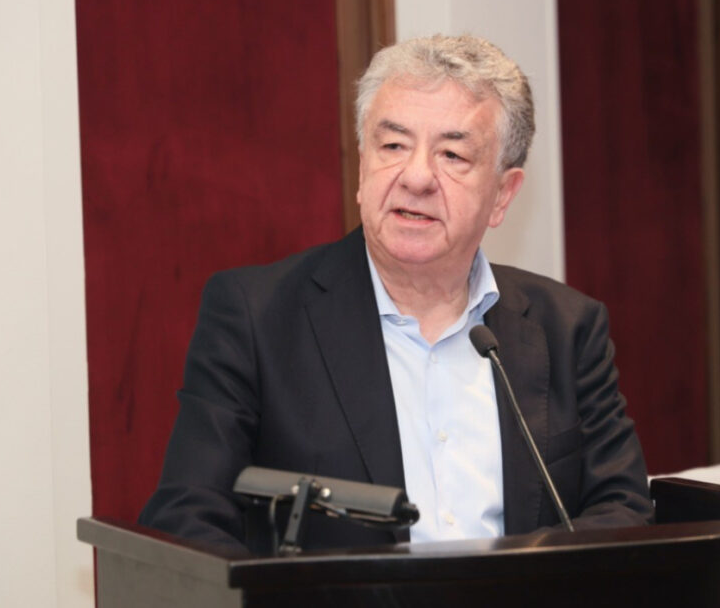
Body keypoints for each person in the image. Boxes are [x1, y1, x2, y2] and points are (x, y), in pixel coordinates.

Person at [139, 35, 653, 552]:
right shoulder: (258, 318)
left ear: (502, 194)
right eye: (393, 146)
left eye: (452, 154)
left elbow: (623, 508)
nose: (417, 177)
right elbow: (187, 521)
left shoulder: (565, 328)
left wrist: (521, 585)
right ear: (363, 167)